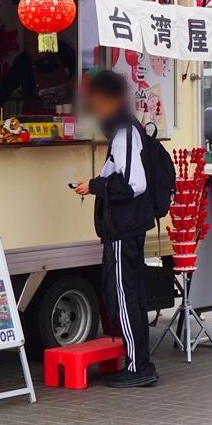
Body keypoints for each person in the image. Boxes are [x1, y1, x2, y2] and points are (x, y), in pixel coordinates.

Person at [72, 69, 157, 388]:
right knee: (130, 295)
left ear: (109, 100)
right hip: (128, 227)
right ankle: (138, 363)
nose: (93, 108)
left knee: (124, 296)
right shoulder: (125, 129)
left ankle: (138, 367)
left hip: (124, 228)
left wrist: (94, 185)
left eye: (95, 101)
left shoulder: (124, 132)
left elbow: (134, 184)